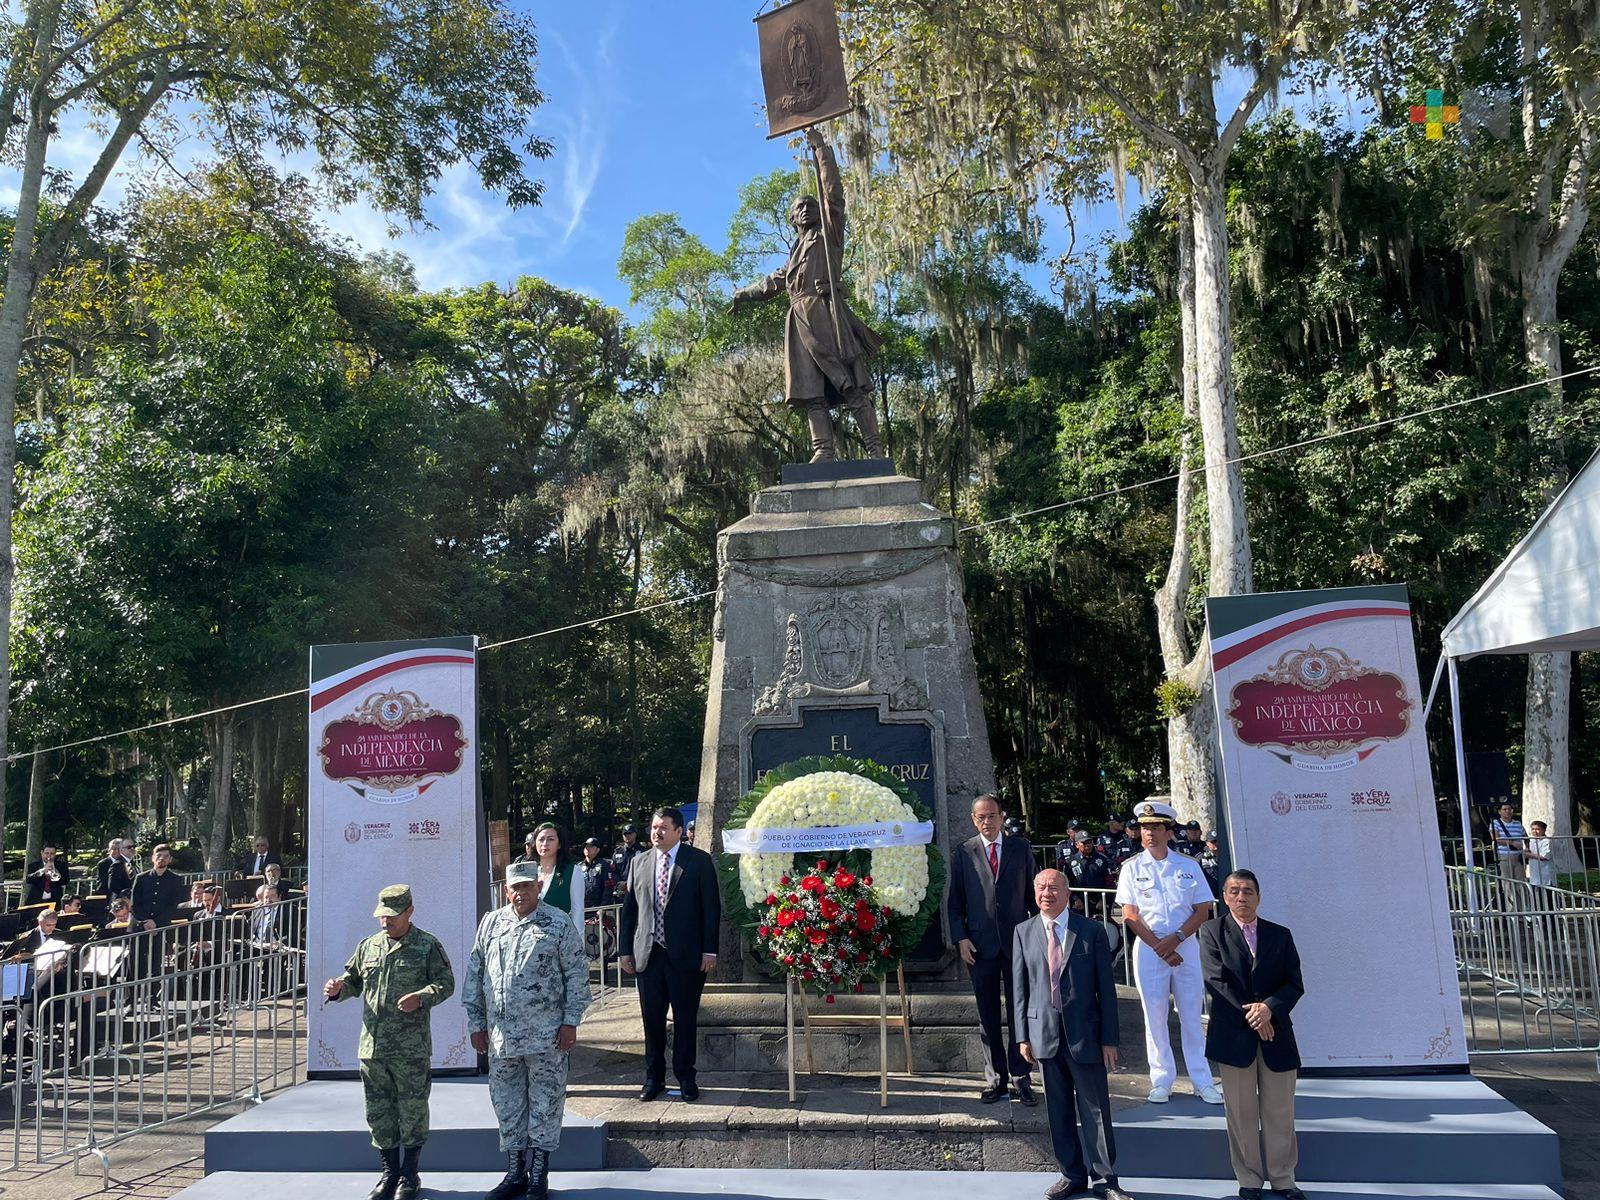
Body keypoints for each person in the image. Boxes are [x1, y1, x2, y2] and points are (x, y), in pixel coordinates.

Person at [729, 126, 885, 463]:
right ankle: (823, 451)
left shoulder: (828, 236)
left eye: (810, 205)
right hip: (799, 322)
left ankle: (874, 449)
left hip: (827, 316)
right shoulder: (794, 256)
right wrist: (742, 294)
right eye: (800, 207)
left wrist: (821, 150)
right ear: (791, 219)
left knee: (851, 385)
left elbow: (833, 196)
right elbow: (771, 283)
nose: (806, 209)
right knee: (811, 390)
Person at [464, 860, 592, 1200]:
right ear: (506, 890)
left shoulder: (558, 922)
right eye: (514, 887)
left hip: (547, 1036)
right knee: (507, 1104)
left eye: (526, 886)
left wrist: (571, 1021)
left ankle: (539, 1173)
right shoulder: (491, 923)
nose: (521, 892)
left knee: (546, 1102)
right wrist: (477, 1024)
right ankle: (515, 1171)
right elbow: (476, 974)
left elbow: (577, 973)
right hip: (501, 1037)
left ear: (538, 886)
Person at [323, 885, 456, 1200]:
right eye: (382, 916)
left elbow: (446, 983)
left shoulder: (427, 946)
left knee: (412, 1111)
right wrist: (337, 988)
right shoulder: (368, 946)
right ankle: (388, 1173)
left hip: (410, 1048)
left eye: (393, 916)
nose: (386, 922)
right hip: (373, 1047)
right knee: (378, 1112)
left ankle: (409, 1175)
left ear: (409, 911)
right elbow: (353, 980)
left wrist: (422, 998)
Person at [1014, 869, 1132, 1200]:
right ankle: (1071, 1175)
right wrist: (1023, 1036)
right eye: (1040, 887)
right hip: (1044, 1035)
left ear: (1068, 894)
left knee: (1095, 1109)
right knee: (1058, 1110)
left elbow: (1106, 990)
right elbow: (1020, 988)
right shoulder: (1023, 932)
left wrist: (1110, 1039)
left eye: (1053, 887)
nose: (1046, 893)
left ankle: (1106, 1180)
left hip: (1087, 1036)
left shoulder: (1091, 931)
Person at [1199, 870, 1306, 1200]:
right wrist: (1255, 1016)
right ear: (1225, 897)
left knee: (1280, 1110)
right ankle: (1249, 1179)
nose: (1241, 897)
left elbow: (1294, 983)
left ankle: (1283, 1178)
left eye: (1248, 891)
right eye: (1234, 891)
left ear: (1258, 897)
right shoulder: (1211, 931)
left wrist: (1269, 1008)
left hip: (1277, 1036)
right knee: (1241, 1112)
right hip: (1234, 1037)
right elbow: (1217, 982)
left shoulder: (1280, 934)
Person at [1115, 797, 1222, 1104]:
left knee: (1192, 1014)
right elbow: (1131, 915)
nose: (1148, 833)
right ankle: (1161, 1079)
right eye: (1144, 828)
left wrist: (1175, 940)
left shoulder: (1187, 866)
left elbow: (1203, 910)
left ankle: (1202, 1079)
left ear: (1168, 830)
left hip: (1185, 945)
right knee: (1155, 1015)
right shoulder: (1131, 868)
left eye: (1156, 827)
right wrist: (1161, 947)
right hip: (1150, 948)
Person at [618, 806, 720, 1102]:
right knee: (652, 1021)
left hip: (686, 956)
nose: (656, 833)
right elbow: (630, 910)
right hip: (648, 956)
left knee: (685, 1020)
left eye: (663, 828)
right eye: (653, 827)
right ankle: (654, 1078)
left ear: (678, 831)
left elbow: (710, 909)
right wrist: (625, 950)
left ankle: (686, 1077)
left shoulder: (698, 862)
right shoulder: (639, 862)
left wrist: (709, 950)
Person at [947, 793, 1037, 1105]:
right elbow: (955, 903)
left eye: (992, 816)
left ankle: (1020, 1075)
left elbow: (1031, 899)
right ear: (974, 819)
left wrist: (1035, 938)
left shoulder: (1020, 848)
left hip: (1016, 945)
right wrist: (961, 938)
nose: (987, 822)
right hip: (979, 947)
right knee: (987, 1014)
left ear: (1001, 817)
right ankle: (995, 1078)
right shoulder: (964, 852)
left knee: (1019, 1013)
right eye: (981, 817)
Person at [130, 844, 186, 930]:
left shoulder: (175, 880)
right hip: (140, 925)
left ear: (170, 859)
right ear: (153, 858)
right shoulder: (140, 878)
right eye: (158, 855)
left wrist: (156, 922)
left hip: (162, 926)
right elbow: (134, 903)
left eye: (166, 856)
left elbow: (173, 905)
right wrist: (146, 921)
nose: (161, 858)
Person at [23, 843, 71, 907]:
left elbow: (66, 881)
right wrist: (42, 870)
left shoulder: (62, 865)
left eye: (52, 853)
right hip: (36, 900)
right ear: (42, 853)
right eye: (47, 853)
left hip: (55, 900)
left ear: (55, 854)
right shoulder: (33, 865)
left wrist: (55, 872)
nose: (49, 856)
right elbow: (28, 879)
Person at [1490, 802, 1527, 884]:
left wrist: (1527, 848)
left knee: (1521, 881)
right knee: (1507, 881)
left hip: (1519, 855)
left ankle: (1521, 897)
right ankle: (1510, 897)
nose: (1507, 811)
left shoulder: (1518, 823)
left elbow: (1526, 837)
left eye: (1509, 809)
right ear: (1499, 811)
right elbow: (1495, 838)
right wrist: (1512, 843)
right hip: (1504, 855)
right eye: (1504, 809)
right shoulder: (1495, 823)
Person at [577, 838, 612, 911]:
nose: (587, 848)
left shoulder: (604, 865)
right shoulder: (578, 867)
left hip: (598, 907)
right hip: (582, 908)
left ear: (597, 850)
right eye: (586, 846)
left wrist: (603, 908)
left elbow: (608, 888)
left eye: (591, 846)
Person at [610, 826, 642, 899]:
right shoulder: (617, 852)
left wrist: (629, 883)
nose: (627, 836)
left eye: (630, 833)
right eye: (625, 834)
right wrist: (619, 884)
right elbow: (613, 871)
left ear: (635, 834)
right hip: (621, 891)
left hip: (638, 890)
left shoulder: (643, 851)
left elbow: (645, 871)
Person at [1525, 821, 1555, 888]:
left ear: (1544, 830)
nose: (1535, 831)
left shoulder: (1547, 841)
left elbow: (1544, 856)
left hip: (1546, 875)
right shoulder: (1531, 841)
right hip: (1534, 874)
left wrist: (1528, 854)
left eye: (1537, 829)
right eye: (1533, 829)